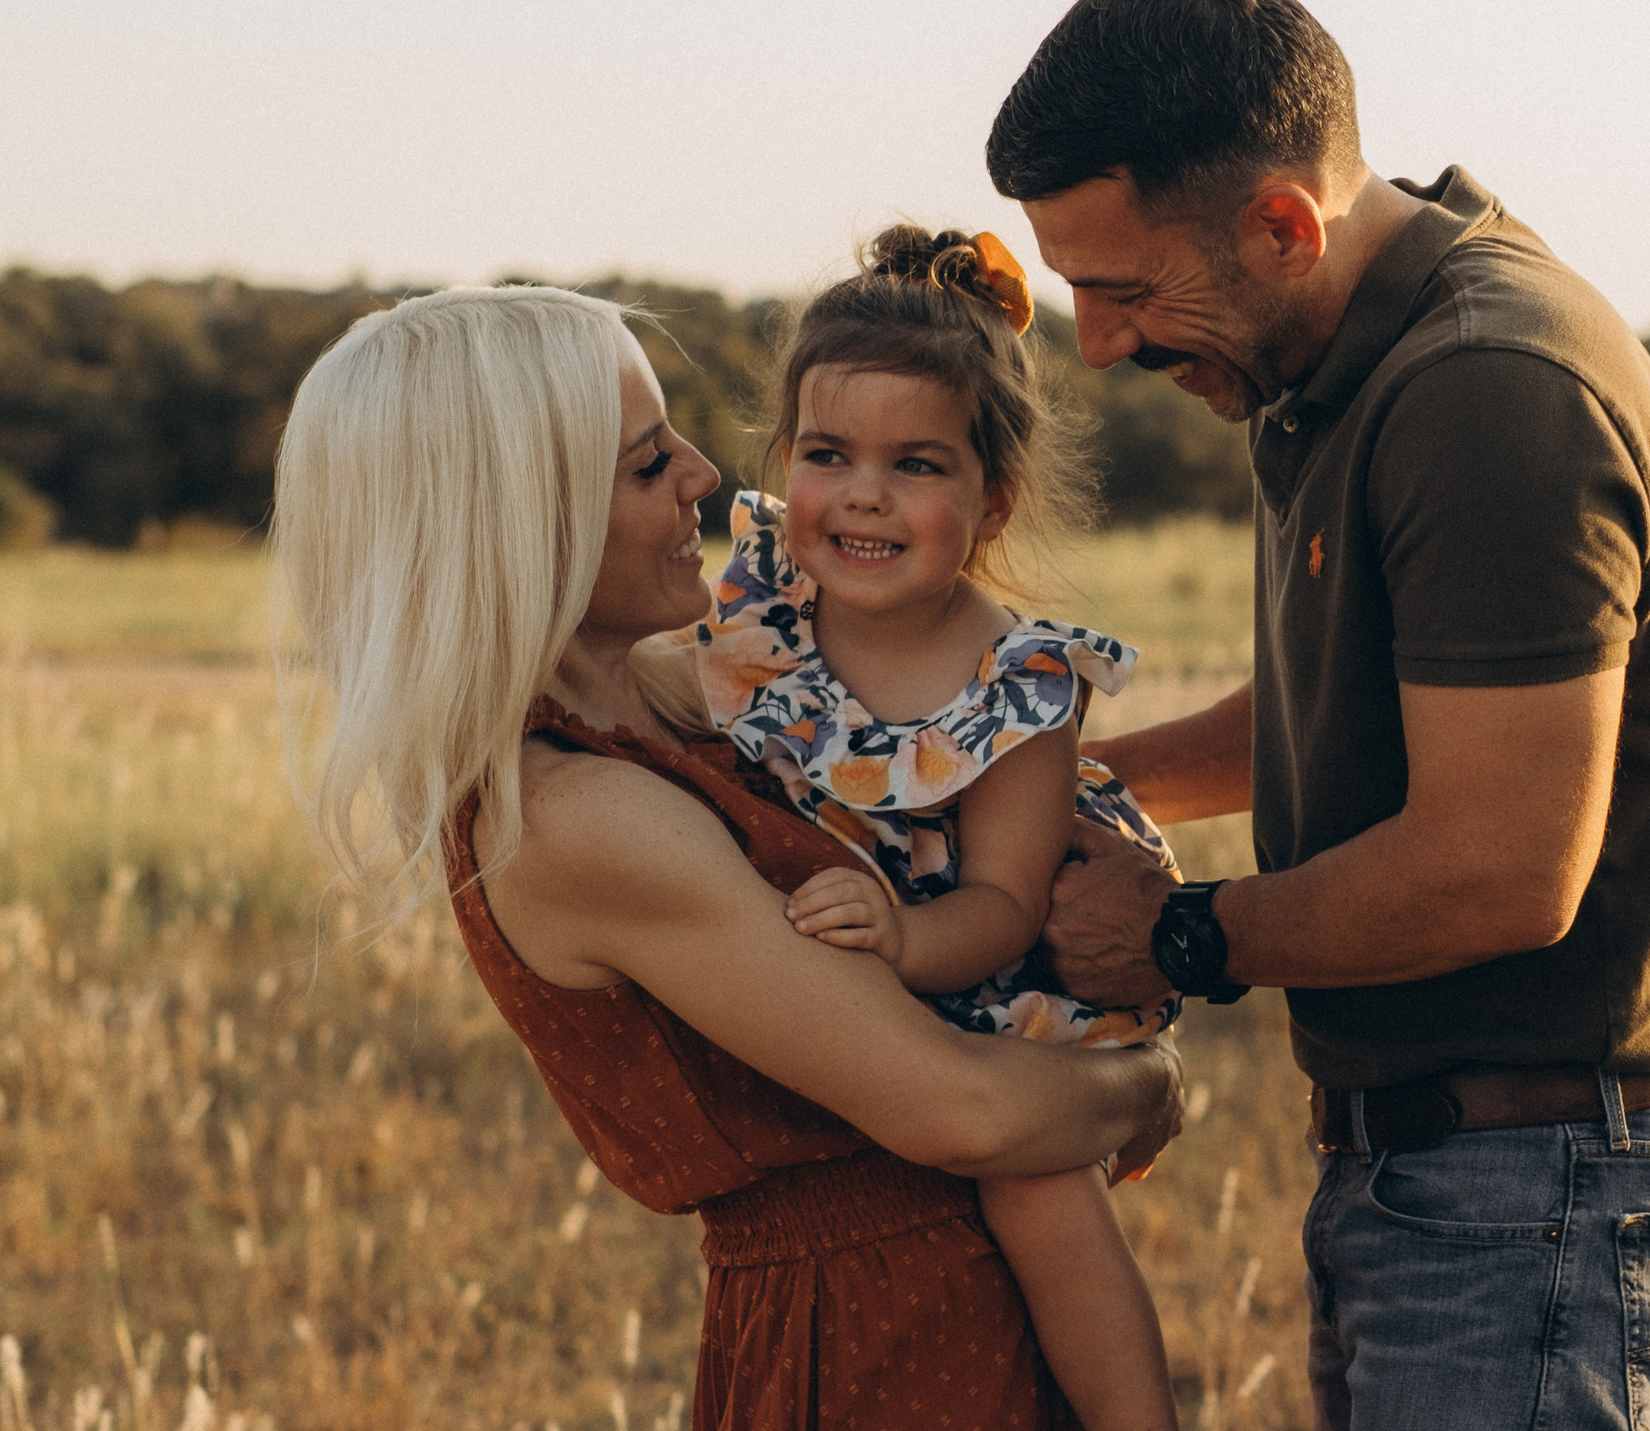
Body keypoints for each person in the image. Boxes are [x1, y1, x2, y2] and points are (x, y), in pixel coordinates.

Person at [990, 0, 1650, 1430]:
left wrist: (1179, 929)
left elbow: (1498, 867)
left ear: (1285, 222)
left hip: (1534, 1186)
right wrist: (1062, 792)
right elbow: (1341, 715)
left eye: (1124, 287)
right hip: (1458, 1177)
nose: (1096, 342)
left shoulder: (1485, 388)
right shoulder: (1343, 354)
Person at [269, 283, 1180, 1430]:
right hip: (875, 1345)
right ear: (522, 524)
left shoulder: (700, 699)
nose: (705, 474)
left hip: (966, 1290)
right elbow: (965, 1115)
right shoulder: (576, 812)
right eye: (649, 465)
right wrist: (1150, 1087)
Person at [674, 224, 1179, 1431]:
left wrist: (902, 941)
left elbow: (1006, 906)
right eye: (827, 453)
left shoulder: (1019, 686)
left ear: (990, 498)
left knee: (1035, 1195)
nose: (862, 495)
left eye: (917, 465)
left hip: (983, 977)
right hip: (837, 982)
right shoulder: (759, 619)